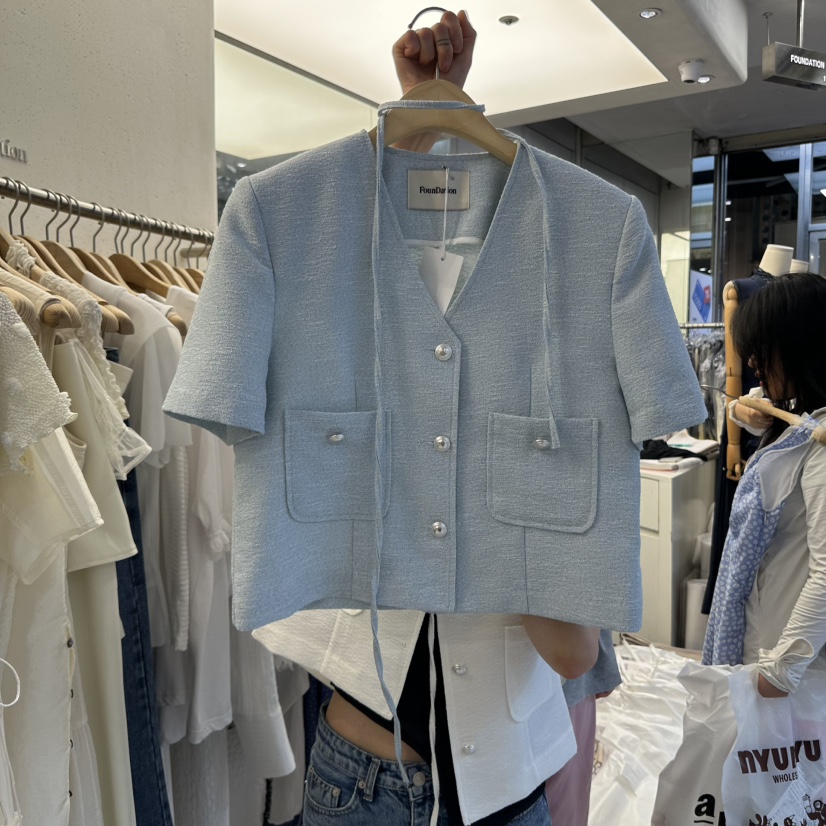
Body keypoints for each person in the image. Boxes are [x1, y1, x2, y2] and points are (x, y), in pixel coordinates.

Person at [252, 10, 602, 826]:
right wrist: (426, 114)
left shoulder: (555, 392)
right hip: (359, 775)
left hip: (504, 790)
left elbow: (574, 650)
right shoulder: (350, 345)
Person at [704, 272, 826, 699]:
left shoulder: (820, 442)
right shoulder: (798, 417)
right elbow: (748, 405)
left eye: (763, 349)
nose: (753, 360)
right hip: (764, 638)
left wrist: (781, 670)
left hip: (784, 662)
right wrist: (740, 410)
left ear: (800, 346)